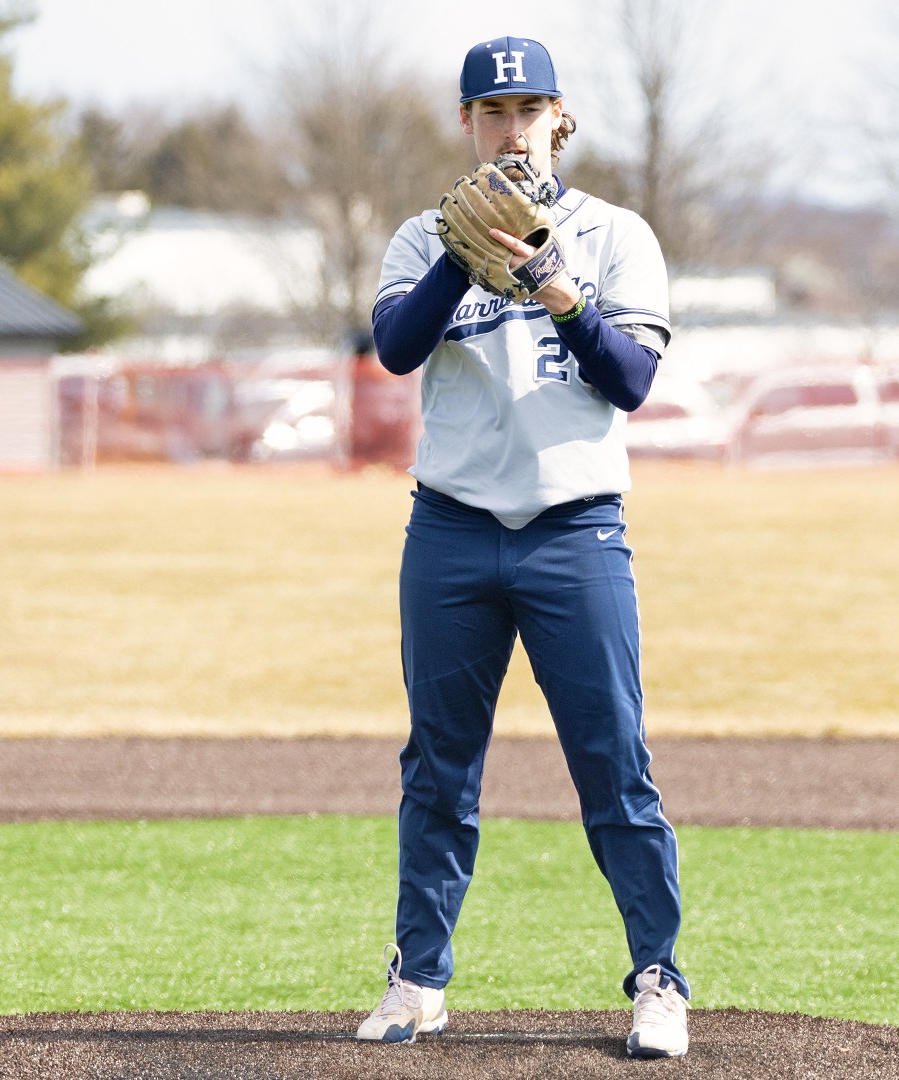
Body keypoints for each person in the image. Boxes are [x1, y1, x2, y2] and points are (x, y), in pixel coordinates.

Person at [353, 35, 689, 1060]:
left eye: (529, 110)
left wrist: (553, 281)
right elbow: (396, 349)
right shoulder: (424, 237)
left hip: (575, 529)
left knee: (613, 762)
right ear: (467, 123)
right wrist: (466, 257)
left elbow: (631, 380)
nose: (512, 129)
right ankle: (419, 980)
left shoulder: (616, 233)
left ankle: (659, 979)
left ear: (559, 119)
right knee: (438, 768)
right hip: (451, 529)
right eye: (492, 112)